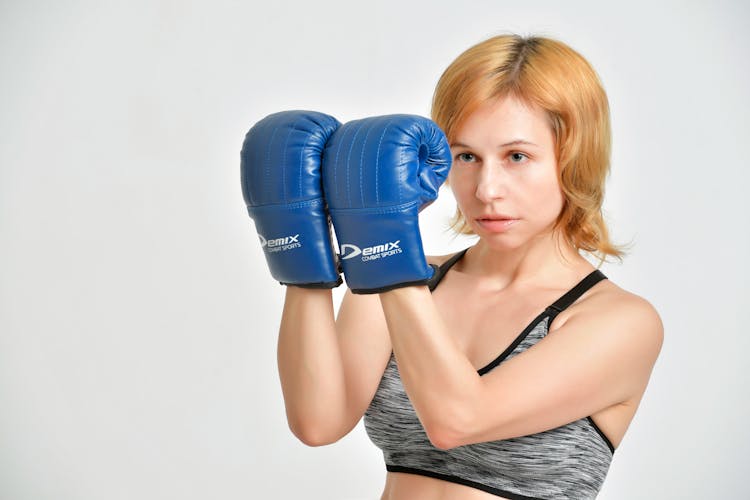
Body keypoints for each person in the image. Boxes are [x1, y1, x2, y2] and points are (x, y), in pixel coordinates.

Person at [241, 33, 663, 500]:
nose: (486, 189)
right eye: (466, 156)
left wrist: (384, 249)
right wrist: (303, 258)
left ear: (575, 159)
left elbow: (458, 419)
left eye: (516, 156)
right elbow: (318, 421)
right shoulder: (407, 277)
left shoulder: (620, 322)